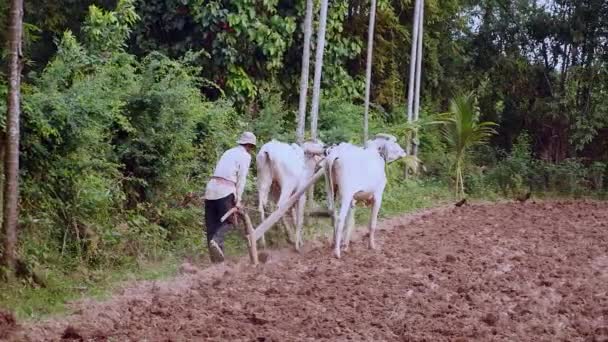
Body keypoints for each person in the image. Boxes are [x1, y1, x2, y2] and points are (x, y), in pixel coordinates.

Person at [204, 132, 256, 263]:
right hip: (225, 190)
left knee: (212, 226)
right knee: (230, 221)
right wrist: (238, 199)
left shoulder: (228, 152)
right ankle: (216, 241)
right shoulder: (245, 156)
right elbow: (242, 178)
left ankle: (216, 263)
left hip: (210, 189)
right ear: (249, 145)